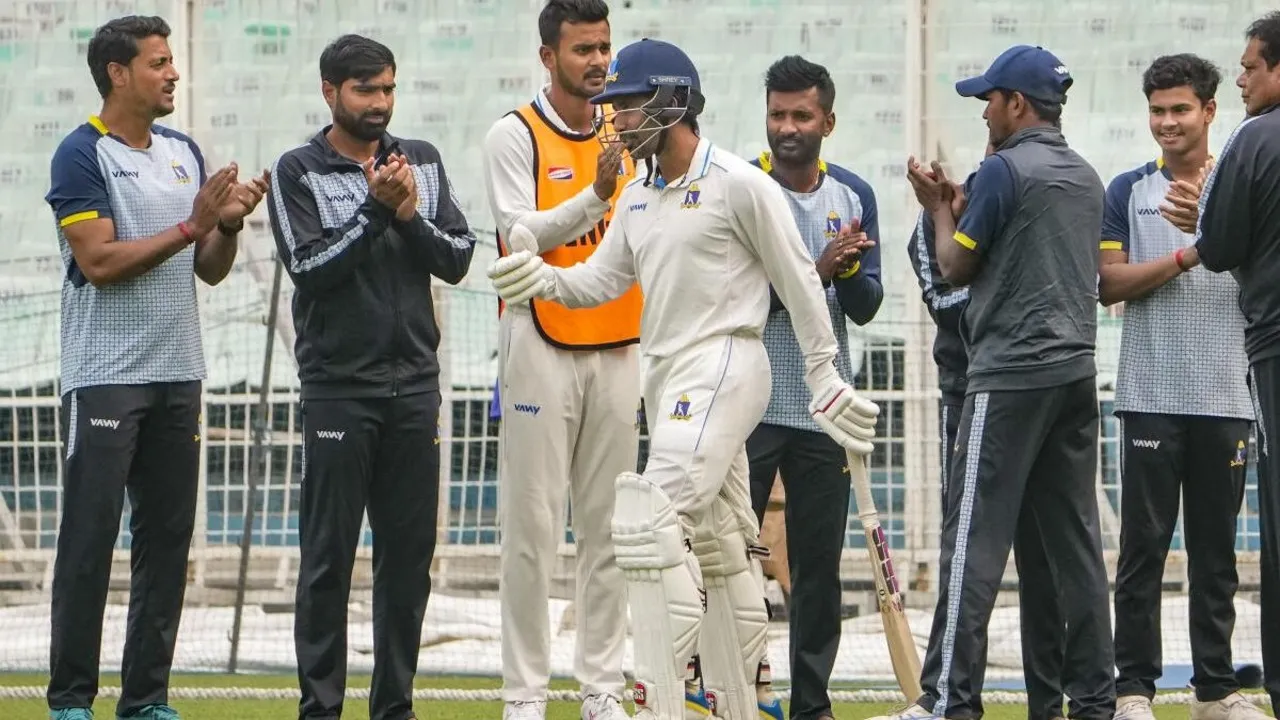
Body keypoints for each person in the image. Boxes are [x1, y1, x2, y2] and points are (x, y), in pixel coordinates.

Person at [487, 38, 879, 720]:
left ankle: (657, 702)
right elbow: (601, 282)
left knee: (647, 522)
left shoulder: (738, 183)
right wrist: (542, 280)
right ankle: (737, 701)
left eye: (627, 105)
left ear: (672, 102)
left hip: (728, 361)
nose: (615, 120)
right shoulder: (637, 195)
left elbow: (799, 280)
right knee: (722, 545)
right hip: (669, 375)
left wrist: (824, 376)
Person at [876, 44, 1115, 720]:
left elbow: (954, 267)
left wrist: (938, 208)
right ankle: (1095, 704)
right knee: (1077, 552)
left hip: (1008, 378)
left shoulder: (1004, 171)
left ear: (1017, 103)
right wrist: (966, 206)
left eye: (990, 100)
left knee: (971, 548)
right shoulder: (1086, 175)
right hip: (1076, 376)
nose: (985, 113)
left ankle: (947, 703)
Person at [43, 15, 267, 720]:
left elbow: (208, 269)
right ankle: (71, 701)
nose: (173, 74)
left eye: (172, 61)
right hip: (104, 376)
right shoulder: (81, 154)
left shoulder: (182, 151)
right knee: (89, 542)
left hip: (179, 374)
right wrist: (191, 225)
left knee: (166, 545)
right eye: (158, 62)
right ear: (118, 74)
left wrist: (226, 225)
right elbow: (99, 262)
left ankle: (145, 701)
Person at [265, 34, 477, 720]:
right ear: (330, 91)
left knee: (407, 563)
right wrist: (377, 211)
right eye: (365, 90)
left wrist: (407, 214)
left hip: (414, 390)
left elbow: (457, 257)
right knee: (328, 561)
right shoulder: (298, 170)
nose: (381, 102)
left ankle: (394, 708)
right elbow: (310, 270)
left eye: (388, 88)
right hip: (338, 391)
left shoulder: (422, 161)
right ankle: (320, 710)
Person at [480, 3, 639, 718]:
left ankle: (601, 688)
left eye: (604, 46)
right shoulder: (514, 134)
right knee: (532, 529)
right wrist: (596, 195)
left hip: (620, 342)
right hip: (539, 343)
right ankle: (525, 694)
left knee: (609, 529)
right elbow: (521, 236)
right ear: (548, 57)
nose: (598, 61)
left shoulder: (626, 128)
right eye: (582, 49)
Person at [1097, 53, 1265, 720]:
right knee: (1143, 552)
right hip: (1149, 396)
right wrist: (1192, 251)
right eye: (1157, 110)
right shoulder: (1127, 190)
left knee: (1216, 558)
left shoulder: (1241, 187)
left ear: (1210, 111)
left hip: (1227, 397)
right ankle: (1133, 690)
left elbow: (1262, 278)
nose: (1167, 122)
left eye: (1180, 109)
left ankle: (1214, 692)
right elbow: (1110, 284)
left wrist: (1215, 231)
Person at [742, 55, 883, 720]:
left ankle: (812, 704)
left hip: (825, 409)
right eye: (777, 114)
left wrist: (848, 273)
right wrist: (819, 272)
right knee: (729, 558)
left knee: (817, 568)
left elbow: (866, 307)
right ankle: (731, 690)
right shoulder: (742, 185)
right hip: (747, 403)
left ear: (827, 121)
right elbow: (736, 300)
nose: (787, 127)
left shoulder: (852, 194)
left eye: (801, 115)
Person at [906, 144, 1068, 720]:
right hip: (968, 397)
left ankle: (1049, 704)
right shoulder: (933, 228)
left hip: (1034, 394)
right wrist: (948, 224)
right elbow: (948, 303)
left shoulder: (1030, 219)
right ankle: (951, 700)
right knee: (967, 554)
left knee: (1044, 560)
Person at [1169, 11, 1280, 713]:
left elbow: (1222, 245)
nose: (1240, 78)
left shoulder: (1255, 136)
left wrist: (1201, 224)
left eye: (1250, 66)